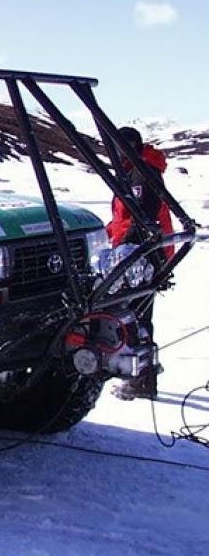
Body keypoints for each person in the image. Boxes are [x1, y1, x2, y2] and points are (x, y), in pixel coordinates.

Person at [107, 126, 174, 400]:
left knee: (135, 314)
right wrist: (108, 234)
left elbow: (144, 216)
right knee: (137, 313)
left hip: (144, 253)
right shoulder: (134, 170)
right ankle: (142, 376)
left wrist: (125, 247)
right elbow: (124, 217)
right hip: (141, 250)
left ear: (128, 146)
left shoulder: (141, 173)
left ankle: (141, 378)